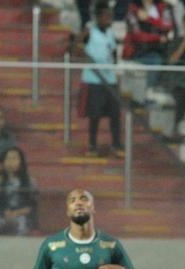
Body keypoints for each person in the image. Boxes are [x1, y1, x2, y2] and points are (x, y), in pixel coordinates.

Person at [80, 1, 122, 157]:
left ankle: (116, 144)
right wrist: (86, 56)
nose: (108, 19)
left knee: (115, 114)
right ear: (98, 17)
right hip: (94, 79)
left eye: (110, 16)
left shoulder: (110, 32)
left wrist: (115, 61)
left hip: (110, 78)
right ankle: (92, 144)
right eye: (105, 16)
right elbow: (76, 46)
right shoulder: (89, 30)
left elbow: (113, 49)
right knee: (95, 114)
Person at [0, 146, 38, 235]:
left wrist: (16, 213)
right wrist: (4, 212)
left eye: (14, 158)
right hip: (3, 216)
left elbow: (32, 205)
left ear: (21, 162)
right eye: (8, 159)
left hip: (22, 216)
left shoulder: (30, 181)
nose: (11, 162)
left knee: (20, 223)